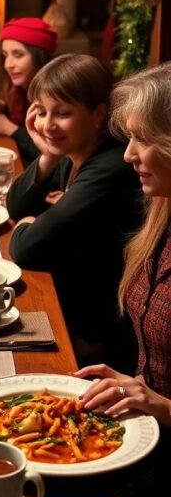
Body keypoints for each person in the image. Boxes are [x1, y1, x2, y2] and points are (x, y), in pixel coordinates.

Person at [6, 53, 142, 370]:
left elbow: (25, 248)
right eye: (40, 111)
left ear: (98, 114)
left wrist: (29, 224)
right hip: (69, 298)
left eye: (62, 113)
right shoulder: (74, 150)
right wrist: (47, 157)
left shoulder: (109, 167)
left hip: (98, 332)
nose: (47, 124)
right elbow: (15, 206)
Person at [75, 62, 171, 420]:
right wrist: (130, 386)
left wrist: (158, 405)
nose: (128, 154)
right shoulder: (160, 213)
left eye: (142, 138)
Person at [0, 17, 58, 165]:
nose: (8, 64)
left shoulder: (56, 96)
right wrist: (1, 107)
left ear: (39, 57)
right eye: (5, 56)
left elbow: (55, 156)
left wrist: (8, 128)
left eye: (18, 55)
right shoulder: (20, 92)